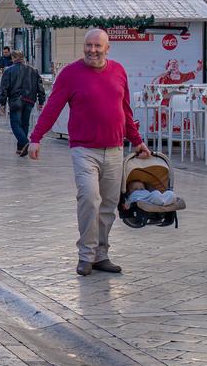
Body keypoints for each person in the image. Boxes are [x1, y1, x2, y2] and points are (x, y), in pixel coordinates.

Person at [26, 28, 153, 277]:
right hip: (84, 149)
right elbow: (53, 106)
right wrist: (36, 137)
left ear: (107, 48)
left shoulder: (118, 71)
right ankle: (85, 255)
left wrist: (137, 141)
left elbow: (125, 110)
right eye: (88, 46)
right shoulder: (70, 74)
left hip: (115, 148)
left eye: (97, 46)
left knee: (107, 205)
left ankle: (101, 255)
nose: (92, 50)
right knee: (89, 199)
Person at [0, 50, 44, 156]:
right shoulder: (33, 70)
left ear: (13, 58)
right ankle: (21, 148)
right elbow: (40, 87)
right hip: (29, 100)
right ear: (23, 58)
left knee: (15, 124)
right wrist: (41, 101)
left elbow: (4, 88)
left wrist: (2, 103)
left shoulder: (8, 70)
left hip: (15, 100)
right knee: (25, 124)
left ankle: (25, 143)